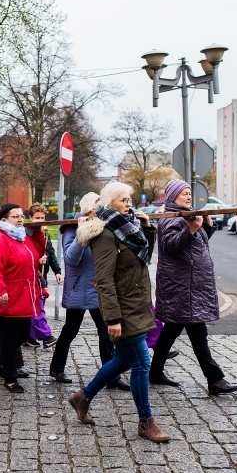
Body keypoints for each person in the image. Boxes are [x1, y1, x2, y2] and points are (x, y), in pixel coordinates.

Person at [67, 181, 169, 443]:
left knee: (123, 361)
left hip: (137, 301)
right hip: (122, 307)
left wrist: (147, 228)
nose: (129, 203)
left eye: (130, 199)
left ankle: (83, 397)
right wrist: (112, 318)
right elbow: (104, 279)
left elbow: (141, 257)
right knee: (142, 363)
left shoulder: (128, 226)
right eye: (124, 200)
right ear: (110, 202)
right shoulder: (104, 233)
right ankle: (146, 421)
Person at [149, 180, 237, 396]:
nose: (188, 197)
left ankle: (155, 372)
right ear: (172, 197)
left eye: (189, 193)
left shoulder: (187, 215)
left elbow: (199, 242)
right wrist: (191, 228)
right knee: (197, 332)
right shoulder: (170, 219)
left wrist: (205, 225)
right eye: (183, 193)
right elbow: (170, 247)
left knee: (172, 329)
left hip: (191, 285)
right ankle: (215, 380)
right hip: (182, 286)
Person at [47, 192, 128, 390]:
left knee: (105, 332)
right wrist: (83, 232)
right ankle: (57, 368)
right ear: (90, 209)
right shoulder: (72, 228)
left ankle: (110, 375)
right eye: (99, 207)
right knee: (70, 330)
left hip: (99, 288)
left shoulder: (104, 226)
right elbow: (71, 259)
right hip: (79, 289)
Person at [0, 204, 46, 394]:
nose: (19, 219)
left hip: (24, 294)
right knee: (9, 338)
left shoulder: (20, 236)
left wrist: (38, 233)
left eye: (21, 216)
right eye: (15, 216)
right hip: (6, 295)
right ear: (3, 219)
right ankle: (10, 378)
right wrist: (0, 290)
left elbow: (36, 255)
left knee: (24, 334)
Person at [25, 204, 61, 348]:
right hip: (30, 276)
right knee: (36, 308)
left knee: (38, 306)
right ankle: (46, 336)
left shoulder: (45, 233)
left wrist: (57, 271)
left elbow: (50, 253)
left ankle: (29, 336)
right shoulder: (25, 233)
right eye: (37, 218)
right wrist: (36, 261)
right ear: (30, 218)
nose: (40, 221)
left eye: (42, 218)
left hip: (42, 277)